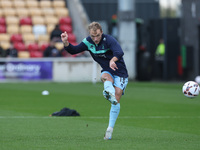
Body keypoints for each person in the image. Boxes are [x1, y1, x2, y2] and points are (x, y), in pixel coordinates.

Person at [61, 21, 128, 140]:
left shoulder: (109, 40)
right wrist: (66, 42)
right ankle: (108, 91)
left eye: (97, 35)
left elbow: (119, 52)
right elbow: (74, 50)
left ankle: (110, 129)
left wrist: (113, 60)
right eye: (93, 36)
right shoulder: (88, 42)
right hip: (108, 71)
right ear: (89, 34)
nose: (95, 39)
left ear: (102, 32)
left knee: (116, 99)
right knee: (105, 76)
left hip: (120, 72)